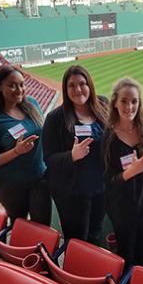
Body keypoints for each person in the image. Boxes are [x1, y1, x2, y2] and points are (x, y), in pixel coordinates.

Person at [103, 77, 143, 267]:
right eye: (124, 100)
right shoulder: (109, 137)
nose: (129, 106)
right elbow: (107, 181)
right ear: (115, 102)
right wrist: (131, 172)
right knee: (127, 257)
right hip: (124, 211)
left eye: (134, 101)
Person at [42, 65, 108, 243]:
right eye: (71, 85)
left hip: (100, 189)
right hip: (71, 193)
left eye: (82, 83)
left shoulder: (103, 105)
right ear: (65, 89)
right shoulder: (55, 118)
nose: (78, 89)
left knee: (95, 235)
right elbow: (48, 158)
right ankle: (73, 270)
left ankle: (91, 269)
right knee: (76, 240)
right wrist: (71, 156)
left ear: (90, 85)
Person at [0, 65, 51, 225]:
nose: (19, 90)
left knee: (43, 226)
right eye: (12, 85)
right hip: (11, 186)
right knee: (19, 226)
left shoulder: (32, 104)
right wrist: (16, 151)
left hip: (40, 179)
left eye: (22, 84)